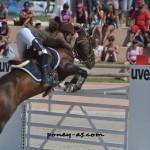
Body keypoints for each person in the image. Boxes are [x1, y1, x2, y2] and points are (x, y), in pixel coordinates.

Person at [16, 20, 78, 86]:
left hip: (22, 33)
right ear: (66, 33)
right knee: (43, 52)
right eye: (70, 35)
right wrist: (74, 38)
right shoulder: (60, 35)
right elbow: (70, 47)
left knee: (23, 59)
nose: (70, 37)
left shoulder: (55, 34)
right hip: (26, 33)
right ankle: (45, 79)